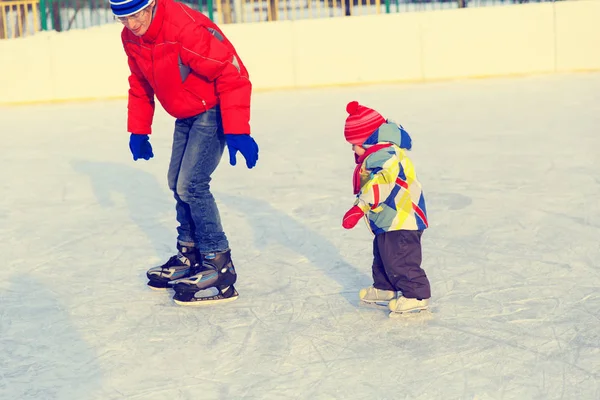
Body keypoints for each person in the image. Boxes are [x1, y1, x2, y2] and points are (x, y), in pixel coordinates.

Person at [110, 0, 259, 305]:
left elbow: (231, 71)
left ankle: (219, 263)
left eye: (136, 15)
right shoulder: (131, 37)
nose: (132, 25)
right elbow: (139, 82)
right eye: (123, 19)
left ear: (151, 5)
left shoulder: (183, 28)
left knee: (192, 184)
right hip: (186, 113)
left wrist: (237, 128)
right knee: (176, 182)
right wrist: (139, 129)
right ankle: (190, 254)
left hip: (212, 109)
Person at [340, 101, 431, 316]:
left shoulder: (387, 156)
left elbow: (382, 182)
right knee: (383, 256)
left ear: (369, 140)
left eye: (355, 143)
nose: (353, 149)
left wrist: (360, 206)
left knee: (401, 258)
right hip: (388, 218)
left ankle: (416, 295)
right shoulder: (377, 156)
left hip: (403, 218)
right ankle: (384, 289)